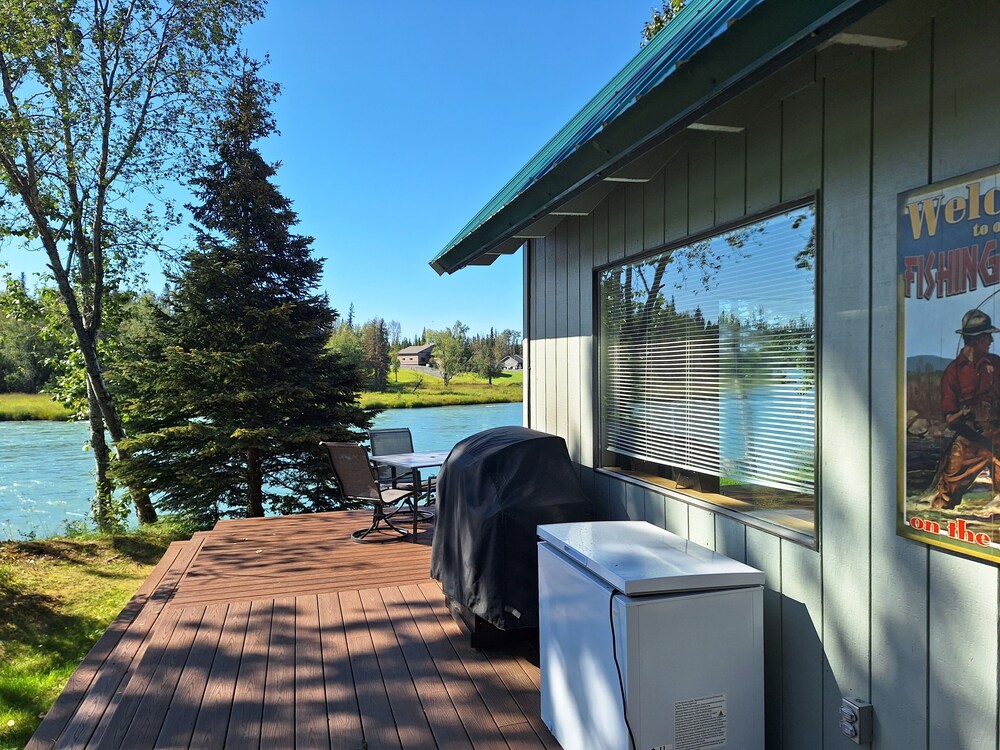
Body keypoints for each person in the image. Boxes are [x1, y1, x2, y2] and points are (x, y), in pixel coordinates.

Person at [928, 309, 1000, 509]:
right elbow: (951, 419)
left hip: (999, 435)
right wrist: (963, 414)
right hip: (970, 441)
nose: (991, 341)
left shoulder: (996, 364)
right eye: (988, 336)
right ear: (977, 340)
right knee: (945, 500)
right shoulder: (952, 373)